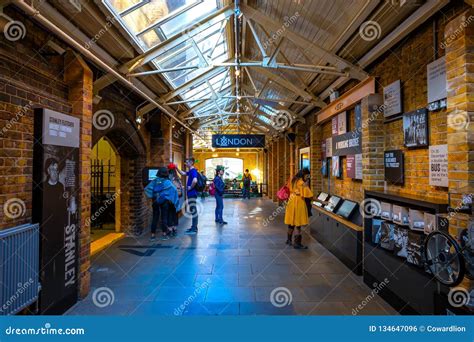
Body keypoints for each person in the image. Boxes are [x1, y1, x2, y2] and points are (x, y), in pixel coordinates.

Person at [145, 167, 180, 241]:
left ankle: (152, 235)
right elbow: (174, 190)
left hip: (155, 202)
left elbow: (146, 189)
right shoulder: (168, 182)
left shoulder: (154, 181)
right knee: (164, 218)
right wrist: (170, 198)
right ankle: (164, 235)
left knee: (155, 217)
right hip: (164, 202)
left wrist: (152, 196)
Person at [284, 168, 313, 249]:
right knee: (298, 224)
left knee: (291, 223)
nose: (308, 177)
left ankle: (289, 240)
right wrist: (322, 202)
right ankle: (297, 243)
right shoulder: (301, 183)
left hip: (291, 202)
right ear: (304, 174)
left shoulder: (293, 180)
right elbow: (309, 195)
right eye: (307, 175)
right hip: (298, 203)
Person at [176, 157, 199, 234]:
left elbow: (195, 180)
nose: (185, 163)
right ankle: (193, 227)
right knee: (193, 210)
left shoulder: (193, 171)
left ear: (191, 162)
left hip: (192, 194)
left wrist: (190, 187)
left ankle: (194, 228)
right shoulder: (191, 171)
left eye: (187, 162)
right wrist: (176, 168)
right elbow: (183, 173)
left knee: (193, 211)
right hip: (191, 194)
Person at [168, 163, 184, 236]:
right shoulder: (177, 178)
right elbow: (181, 189)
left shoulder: (168, 178)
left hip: (169, 199)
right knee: (175, 213)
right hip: (176, 199)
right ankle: (175, 228)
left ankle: (170, 229)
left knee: (169, 213)